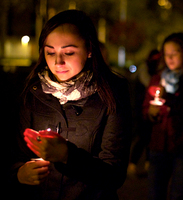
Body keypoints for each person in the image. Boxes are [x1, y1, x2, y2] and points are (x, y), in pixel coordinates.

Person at [9, 10, 131, 200]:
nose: (58, 62)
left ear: (90, 49)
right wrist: (19, 173)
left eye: (69, 52)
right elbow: (13, 154)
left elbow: (114, 175)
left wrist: (68, 156)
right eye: (50, 52)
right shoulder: (32, 93)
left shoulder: (111, 95)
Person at [143, 33, 183, 200]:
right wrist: (150, 113)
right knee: (155, 194)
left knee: (178, 195)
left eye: (174, 53)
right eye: (166, 53)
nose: (169, 57)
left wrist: (169, 100)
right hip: (158, 145)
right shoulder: (157, 78)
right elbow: (145, 108)